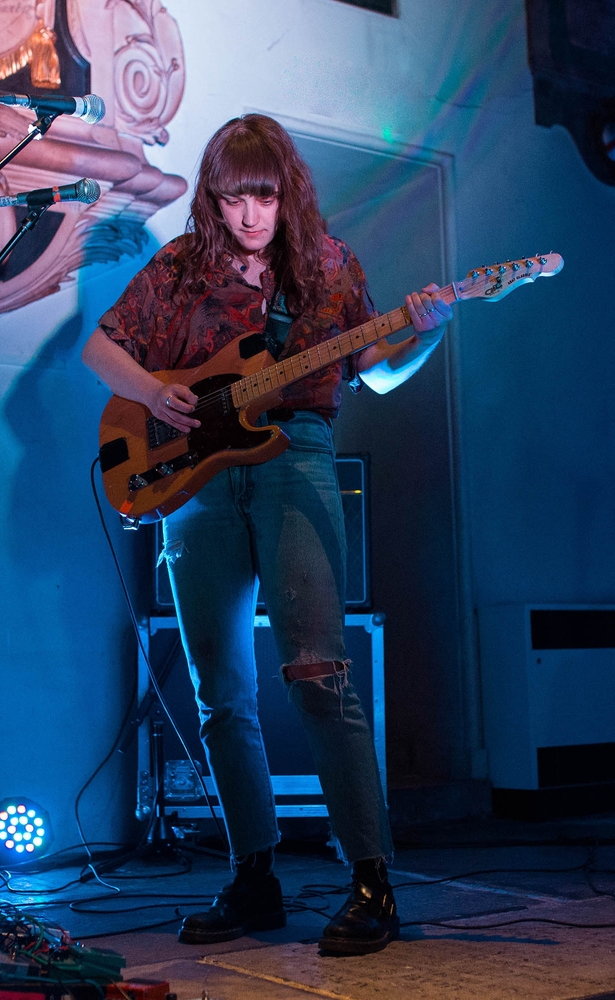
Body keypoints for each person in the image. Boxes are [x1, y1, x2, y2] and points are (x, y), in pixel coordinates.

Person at [81, 114, 450, 955]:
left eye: (265, 195)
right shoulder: (181, 267)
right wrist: (157, 393)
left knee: (318, 672)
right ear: (213, 195)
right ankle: (255, 876)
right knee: (220, 693)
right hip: (197, 481)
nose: (250, 213)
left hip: (298, 458)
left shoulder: (328, 266)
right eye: (234, 196)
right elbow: (102, 350)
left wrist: (423, 333)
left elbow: (378, 373)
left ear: (287, 191)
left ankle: (371, 880)